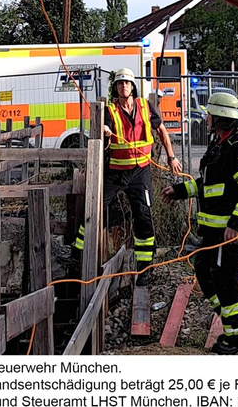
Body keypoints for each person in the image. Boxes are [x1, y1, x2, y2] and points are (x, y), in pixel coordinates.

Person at [161, 92, 238, 354]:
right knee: (205, 272)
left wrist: (236, 224)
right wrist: (179, 191)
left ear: (219, 118)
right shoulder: (219, 144)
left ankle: (237, 337)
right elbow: (207, 183)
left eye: (209, 115)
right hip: (215, 230)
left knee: (226, 280)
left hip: (232, 231)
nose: (206, 119)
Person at [75, 68, 182, 287]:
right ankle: (77, 254)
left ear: (132, 87)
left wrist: (171, 157)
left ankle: (144, 268)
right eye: (120, 83)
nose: (124, 86)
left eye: (127, 83)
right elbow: (103, 127)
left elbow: (162, 130)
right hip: (115, 172)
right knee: (94, 209)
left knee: (143, 216)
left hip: (140, 172)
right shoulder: (110, 110)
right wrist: (104, 129)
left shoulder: (145, 106)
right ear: (115, 88)